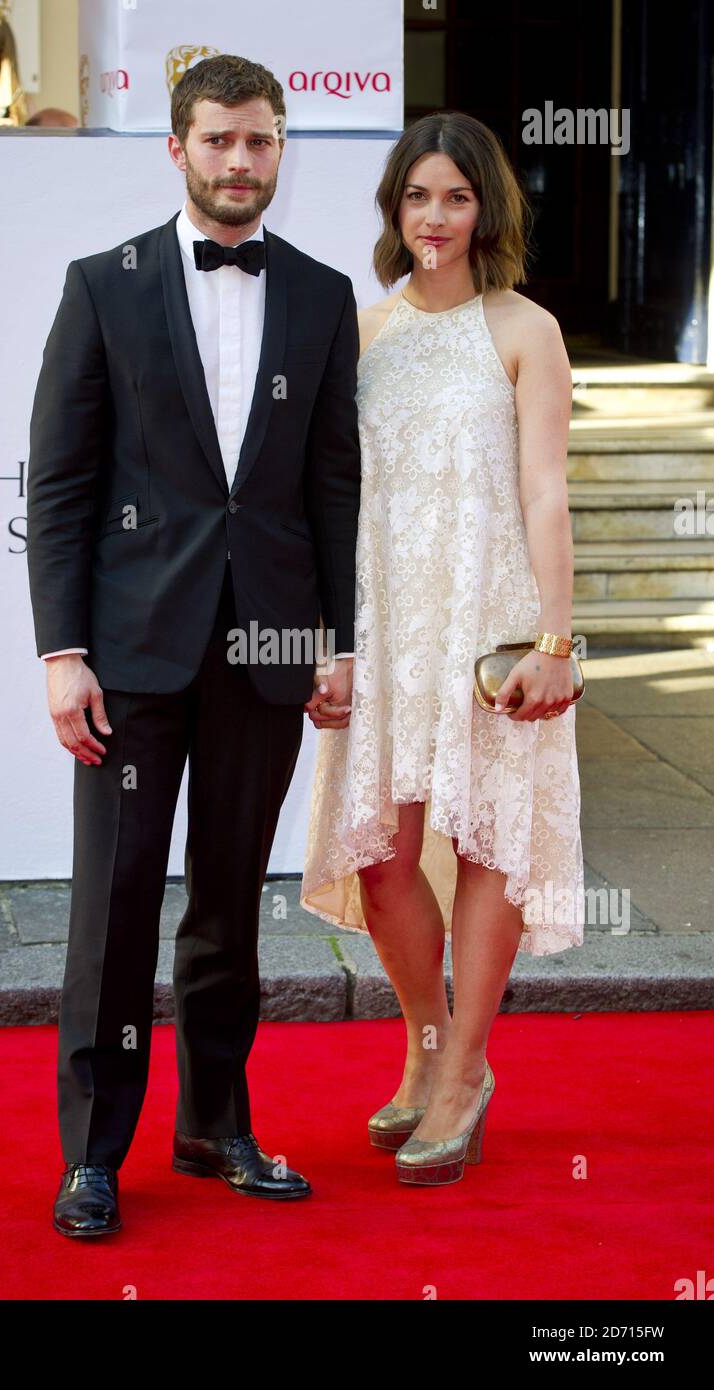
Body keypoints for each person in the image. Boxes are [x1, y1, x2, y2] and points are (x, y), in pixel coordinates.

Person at [26, 53, 360, 1237]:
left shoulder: (321, 295)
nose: (238, 162)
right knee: (114, 901)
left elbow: (331, 484)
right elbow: (60, 484)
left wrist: (336, 640)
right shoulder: (102, 286)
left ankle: (216, 1122)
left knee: (226, 898)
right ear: (175, 149)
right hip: (128, 653)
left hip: (266, 644)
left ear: (279, 148)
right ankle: (92, 1153)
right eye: (218, 140)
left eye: (259, 140)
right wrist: (62, 650)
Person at [300, 110, 585, 1187]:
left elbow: (546, 491)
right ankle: (423, 1046)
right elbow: (328, 497)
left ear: (485, 209)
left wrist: (554, 641)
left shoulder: (525, 330)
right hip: (384, 618)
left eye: (455, 197)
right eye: (416, 197)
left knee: (486, 846)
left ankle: (463, 1072)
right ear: (393, 208)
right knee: (380, 853)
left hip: (487, 616)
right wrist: (328, 642)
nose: (434, 217)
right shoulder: (360, 333)